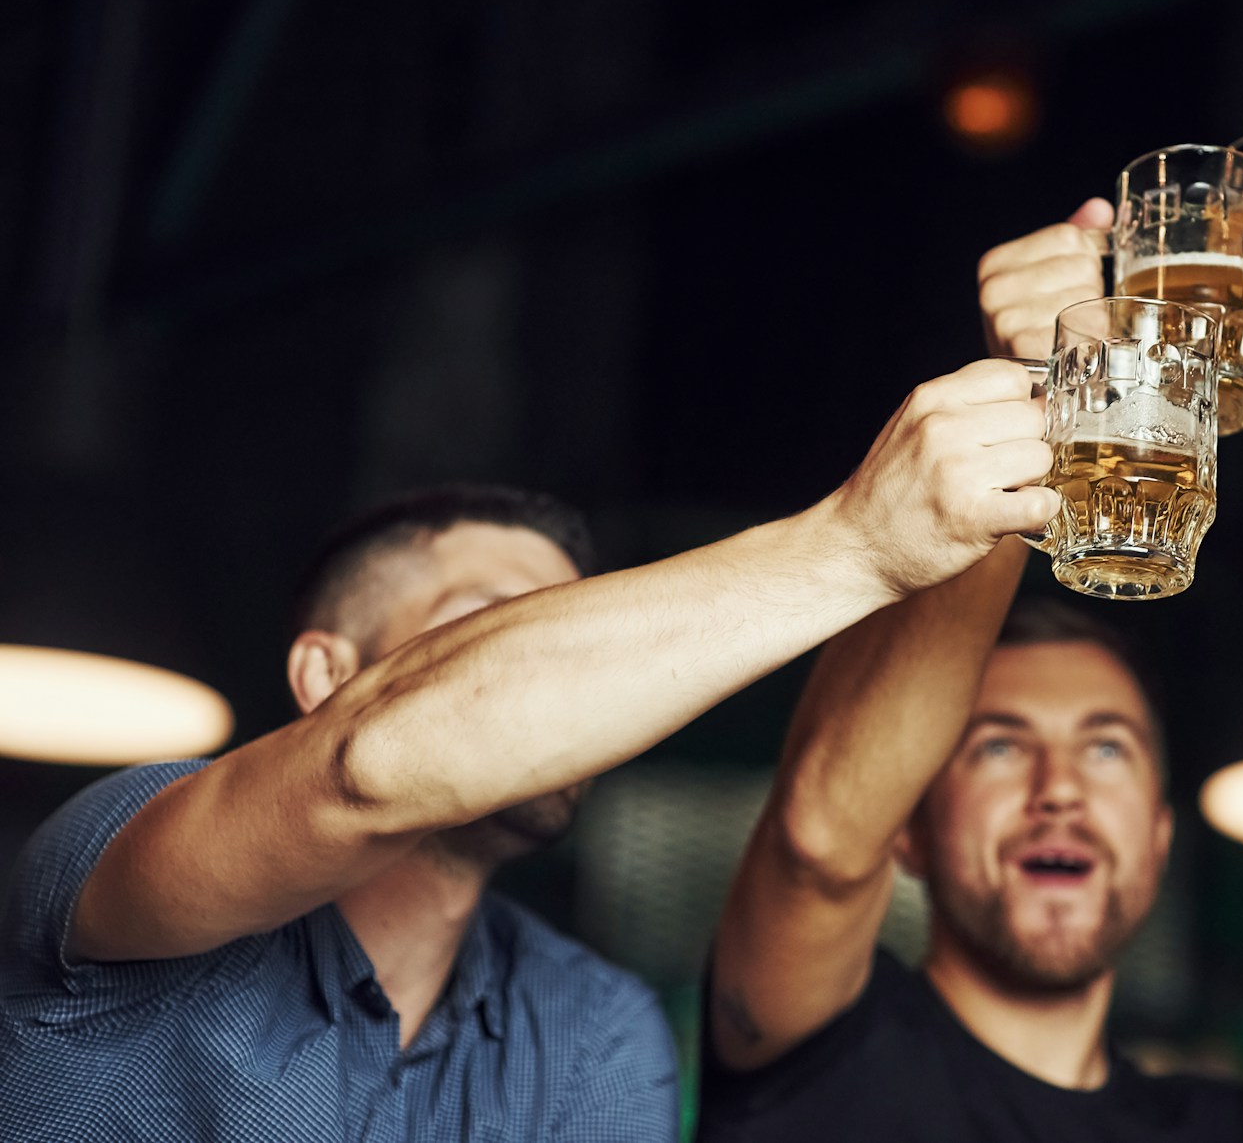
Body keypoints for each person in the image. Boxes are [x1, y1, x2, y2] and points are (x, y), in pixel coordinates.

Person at [0, 357, 1056, 1142]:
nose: (576, 692)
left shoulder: (591, 1026)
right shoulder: (112, 847)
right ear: (325, 674)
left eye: (574, 638)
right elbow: (361, 768)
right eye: (493, 627)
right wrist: (858, 543)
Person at [697, 202, 1243, 1142]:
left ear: (1163, 837)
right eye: (1001, 748)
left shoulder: (1218, 1124)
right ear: (909, 834)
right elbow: (819, 838)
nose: (1058, 792)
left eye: (1107, 751)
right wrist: (1041, 401)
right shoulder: (825, 1050)